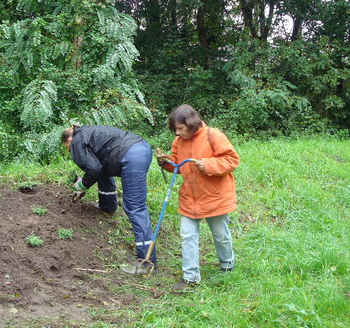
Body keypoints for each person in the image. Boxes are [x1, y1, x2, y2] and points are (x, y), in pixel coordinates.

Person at [156, 105, 239, 291]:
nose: (177, 133)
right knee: (187, 236)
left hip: (214, 197)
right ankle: (191, 277)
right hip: (189, 197)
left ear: (191, 124)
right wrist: (166, 162)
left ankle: (227, 264)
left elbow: (232, 160)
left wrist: (208, 164)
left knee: (220, 235)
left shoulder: (213, 135)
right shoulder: (179, 140)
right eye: (175, 130)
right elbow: (177, 164)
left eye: (180, 129)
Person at [61, 124, 156, 275]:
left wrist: (81, 186)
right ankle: (107, 207)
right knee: (104, 171)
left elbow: (93, 169)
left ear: (69, 139)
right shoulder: (89, 132)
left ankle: (146, 262)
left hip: (131, 156)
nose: (69, 150)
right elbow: (100, 166)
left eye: (67, 147)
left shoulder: (77, 141)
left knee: (135, 207)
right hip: (140, 148)